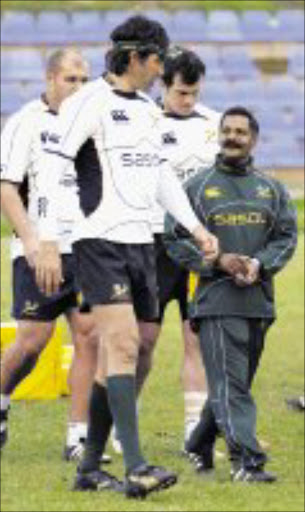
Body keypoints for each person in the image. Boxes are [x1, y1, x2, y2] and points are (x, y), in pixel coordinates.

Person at [32, 16, 219, 498]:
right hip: (99, 243)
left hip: (144, 245)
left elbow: (160, 177)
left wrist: (196, 228)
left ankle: (90, 467)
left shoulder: (148, 111)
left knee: (133, 353)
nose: (162, 70)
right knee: (123, 345)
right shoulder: (87, 102)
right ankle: (135, 466)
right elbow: (52, 170)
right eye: (158, 59)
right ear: (136, 57)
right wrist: (48, 239)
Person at [164, 106, 298, 483]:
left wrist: (259, 264)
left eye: (241, 131)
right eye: (227, 130)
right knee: (230, 385)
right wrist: (218, 262)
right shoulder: (197, 187)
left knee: (232, 385)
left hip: (259, 302)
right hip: (215, 303)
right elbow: (173, 237)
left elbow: (287, 236)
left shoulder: (270, 188)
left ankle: (198, 442)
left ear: (253, 139)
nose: (233, 137)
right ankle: (247, 462)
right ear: (219, 135)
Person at [0, 48, 110, 463]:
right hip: (38, 248)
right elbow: (7, 187)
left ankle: (78, 437)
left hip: (85, 247)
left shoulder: (92, 123)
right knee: (32, 341)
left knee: (89, 335)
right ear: (50, 78)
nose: (79, 88)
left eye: (84, 80)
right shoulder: (26, 121)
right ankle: (2, 401)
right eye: (70, 79)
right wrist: (31, 242)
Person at [134, 47, 221, 449]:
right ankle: (122, 420)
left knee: (195, 337)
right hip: (152, 243)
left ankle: (192, 429)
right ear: (163, 86)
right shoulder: (143, 121)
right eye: (181, 93)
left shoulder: (214, 124)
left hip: (196, 246)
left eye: (194, 93)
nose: (188, 101)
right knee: (142, 340)